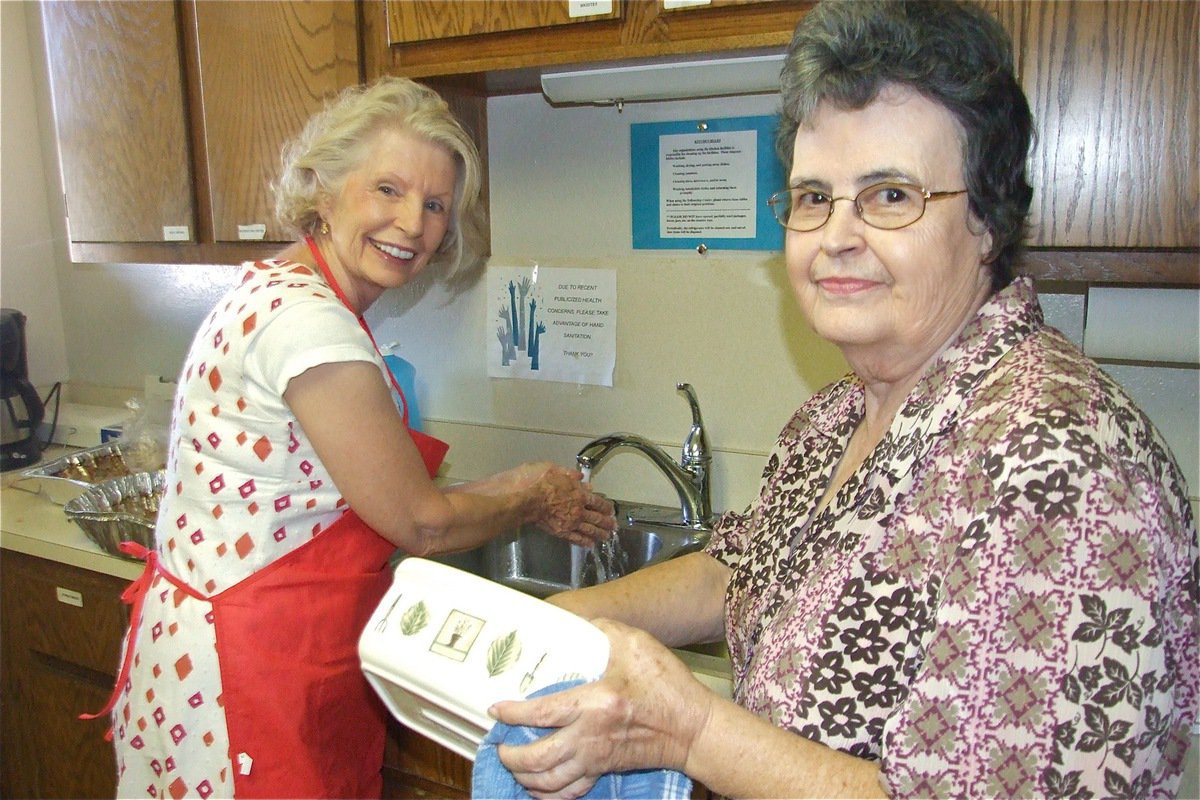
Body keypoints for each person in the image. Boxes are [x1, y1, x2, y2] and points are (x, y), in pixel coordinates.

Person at [487, 2, 1199, 797]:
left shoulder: (1062, 466)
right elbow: (738, 572)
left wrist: (690, 729)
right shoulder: (834, 418)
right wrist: (560, 624)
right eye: (813, 198)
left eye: (890, 195)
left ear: (988, 220)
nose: (836, 236)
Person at [86, 76, 616, 799]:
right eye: (388, 190)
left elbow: (364, 496)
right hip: (250, 672)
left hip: (233, 650)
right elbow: (418, 520)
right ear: (325, 189)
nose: (412, 223)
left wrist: (528, 482)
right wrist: (530, 494)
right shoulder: (311, 327)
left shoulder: (279, 289)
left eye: (434, 205)